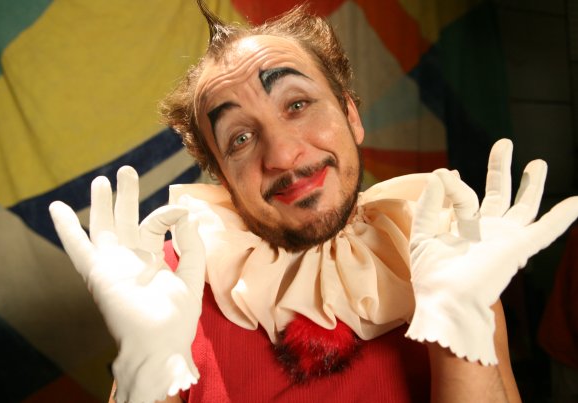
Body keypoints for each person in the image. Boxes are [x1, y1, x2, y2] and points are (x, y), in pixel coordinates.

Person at [49, 2, 578, 402]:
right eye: (239, 138)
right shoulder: (166, 284)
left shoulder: (454, 254)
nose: (282, 154)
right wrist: (144, 379)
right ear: (222, 178)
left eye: (298, 104)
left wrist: (459, 329)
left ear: (351, 115)